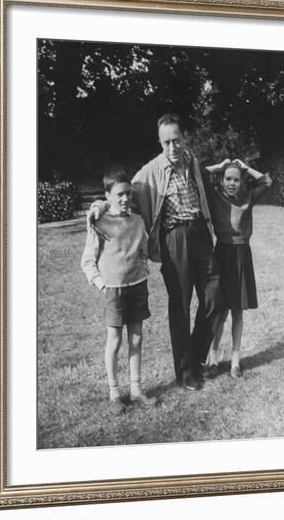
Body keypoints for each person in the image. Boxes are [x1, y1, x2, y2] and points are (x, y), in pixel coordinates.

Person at [89, 114, 221, 391]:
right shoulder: (151, 171)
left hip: (201, 236)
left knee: (215, 299)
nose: (172, 147)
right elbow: (121, 189)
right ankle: (186, 373)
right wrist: (101, 203)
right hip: (175, 239)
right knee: (181, 305)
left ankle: (195, 359)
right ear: (160, 143)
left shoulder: (194, 163)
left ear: (184, 138)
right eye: (166, 143)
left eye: (176, 140)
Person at [81, 168, 157, 415]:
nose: (125, 199)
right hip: (114, 292)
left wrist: (142, 268)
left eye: (128, 194)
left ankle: (136, 390)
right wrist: (103, 284)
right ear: (107, 196)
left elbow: (143, 250)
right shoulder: (99, 222)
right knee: (115, 341)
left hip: (138, 287)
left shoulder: (137, 221)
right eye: (119, 195)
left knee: (136, 338)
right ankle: (115, 393)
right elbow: (87, 261)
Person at [204, 158, 272, 378]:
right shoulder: (215, 196)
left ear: (242, 181)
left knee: (237, 311)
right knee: (220, 312)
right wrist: (219, 165)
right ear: (222, 181)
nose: (232, 183)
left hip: (242, 255)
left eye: (236, 179)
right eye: (228, 179)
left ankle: (235, 361)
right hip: (222, 254)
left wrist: (245, 167)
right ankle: (213, 359)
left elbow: (266, 181)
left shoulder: (248, 197)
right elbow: (200, 175)